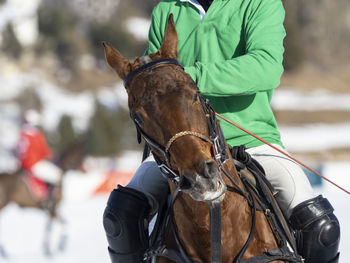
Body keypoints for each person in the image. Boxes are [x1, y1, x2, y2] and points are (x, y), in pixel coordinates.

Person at [103, 0, 340, 262]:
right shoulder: (167, 10)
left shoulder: (259, 4)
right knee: (120, 215)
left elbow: (266, 68)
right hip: (183, 147)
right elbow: (156, 85)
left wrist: (186, 77)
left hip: (251, 140)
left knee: (321, 228)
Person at [16, 109, 62, 202]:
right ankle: (48, 201)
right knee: (57, 175)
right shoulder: (36, 135)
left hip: (22, 165)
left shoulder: (22, 133)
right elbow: (45, 152)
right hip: (34, 164)